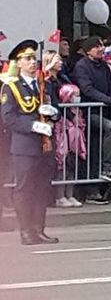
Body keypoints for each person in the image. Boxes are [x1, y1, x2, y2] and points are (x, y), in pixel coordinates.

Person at [2, 40, 60, 245]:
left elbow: (56, 109)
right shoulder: (11, 87)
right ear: (18, 62)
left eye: (34, 58)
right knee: (25, 189)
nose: (32, 62)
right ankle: (26, 231)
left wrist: (53, 114)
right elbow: (8, 118)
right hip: (24, 146)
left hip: (44, 145)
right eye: (27, 59)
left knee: (42, 188)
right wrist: (33, 126)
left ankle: (39, 229)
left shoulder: (43, 84)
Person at [71, 36, 111, 181]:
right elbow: (87, 89)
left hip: (105, 110)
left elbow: (110, 86)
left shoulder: (104, 66)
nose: (101, 49)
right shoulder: (82, 66)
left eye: (101, 46)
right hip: (90, 112)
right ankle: (107, 167)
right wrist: (109, 100)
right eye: (96, 47)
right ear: (88, 51)